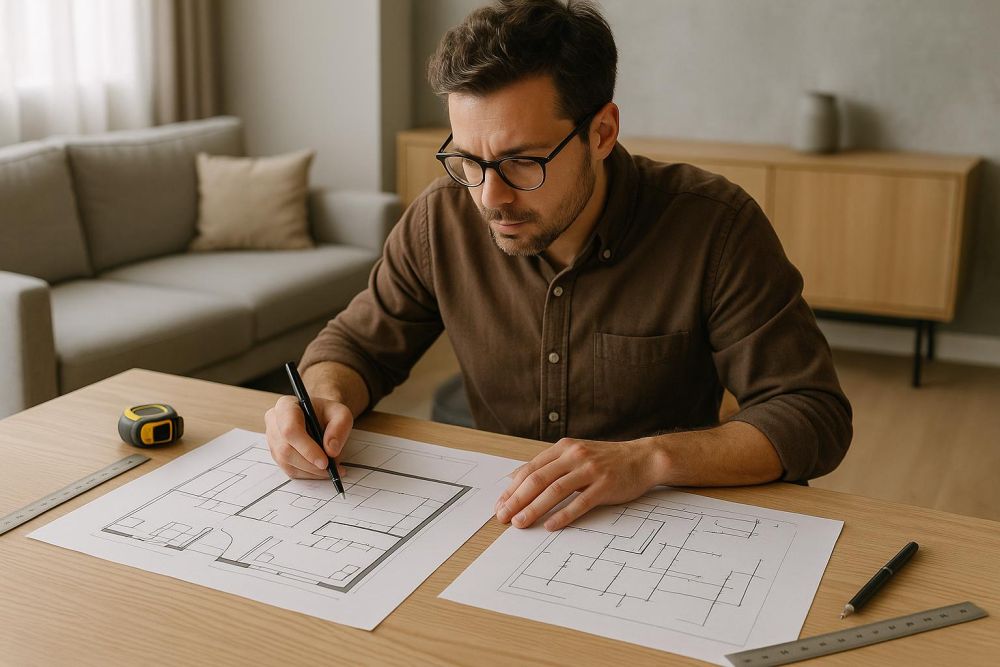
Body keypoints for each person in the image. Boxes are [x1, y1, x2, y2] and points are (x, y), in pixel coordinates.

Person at [264, 0, 851, 533]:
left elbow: (810, 412)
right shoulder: (439, 220)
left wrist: (647, 459)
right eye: (468, 159)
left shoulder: (714, 227)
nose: (490, 195)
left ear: (602, 131)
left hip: (662, 523)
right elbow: (357, 348)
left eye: (522, 162)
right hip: (499, 521)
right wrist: (321, 397)